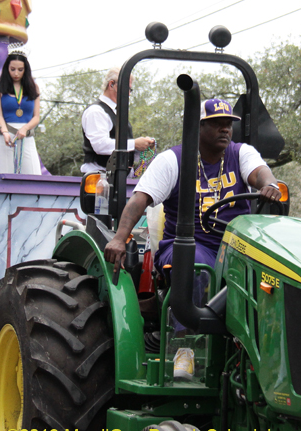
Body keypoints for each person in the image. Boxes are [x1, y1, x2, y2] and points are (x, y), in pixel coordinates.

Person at [103, 99, 281, 379]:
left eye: (228, 124)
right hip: (186, 246)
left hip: (235, 248)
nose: (225, 129)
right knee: (197, 267)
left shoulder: (241, 153)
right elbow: (139, 200)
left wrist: (269, 185)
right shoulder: (172, 160)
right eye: (217, 124)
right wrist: (119, 238)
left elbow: (260, 173)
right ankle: (183, 348)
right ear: (197, 127)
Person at [81, 67, 155, 174]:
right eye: (127, 89)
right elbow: (100, 145)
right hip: (100, 177)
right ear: (112, 85)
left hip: (120, 176)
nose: (129, 94)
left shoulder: (116, 112)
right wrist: (134, 144)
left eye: (130, 90)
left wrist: (142, 145)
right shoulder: (96, 111)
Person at [0, 51, 41, 174]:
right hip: (6, 135)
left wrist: (25, 128)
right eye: (12, 69)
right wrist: (4, 132)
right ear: (7, 68)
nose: (16, 73)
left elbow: (36, 117)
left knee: (34, 176)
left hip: (26, 135)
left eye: (20, 69)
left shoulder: (34, 87)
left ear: (25, 69)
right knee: (4, 178)